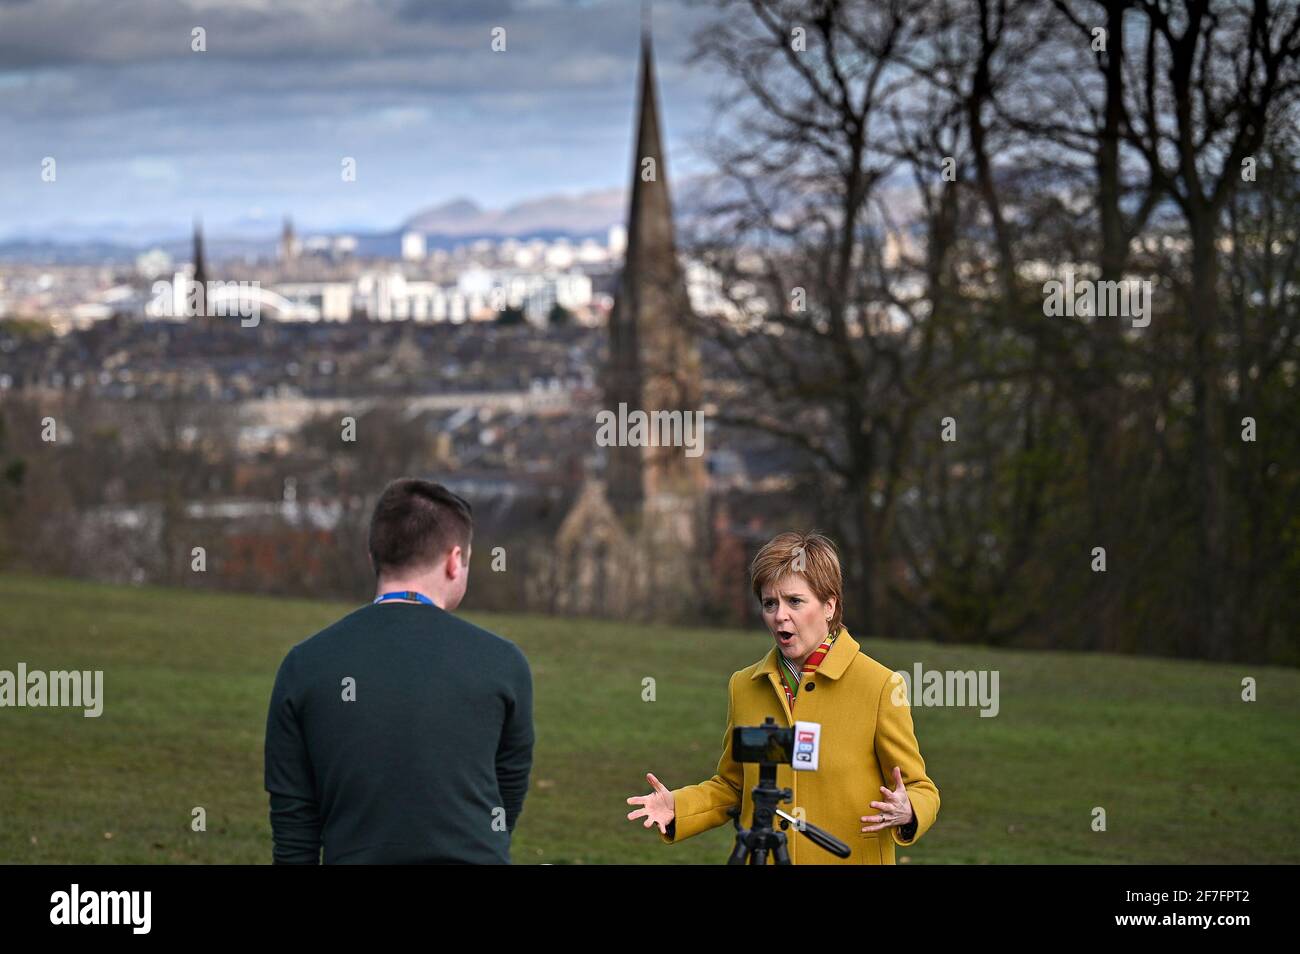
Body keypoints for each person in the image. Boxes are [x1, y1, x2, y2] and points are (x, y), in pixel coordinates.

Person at [626, 530, 939, 864]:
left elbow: (921, 788)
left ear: (829, 605)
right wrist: (678, 807)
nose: (779, 615)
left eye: (795, 601)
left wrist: (909, 810)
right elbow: (734, 787)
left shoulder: (879, 686)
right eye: (769, 603)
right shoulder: (744, 685)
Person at [264, 477, 534, 864]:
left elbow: (295, 829)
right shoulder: (503, 664)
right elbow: (505, 800)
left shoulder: (303, 664)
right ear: (455, 560)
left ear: (372, 556)